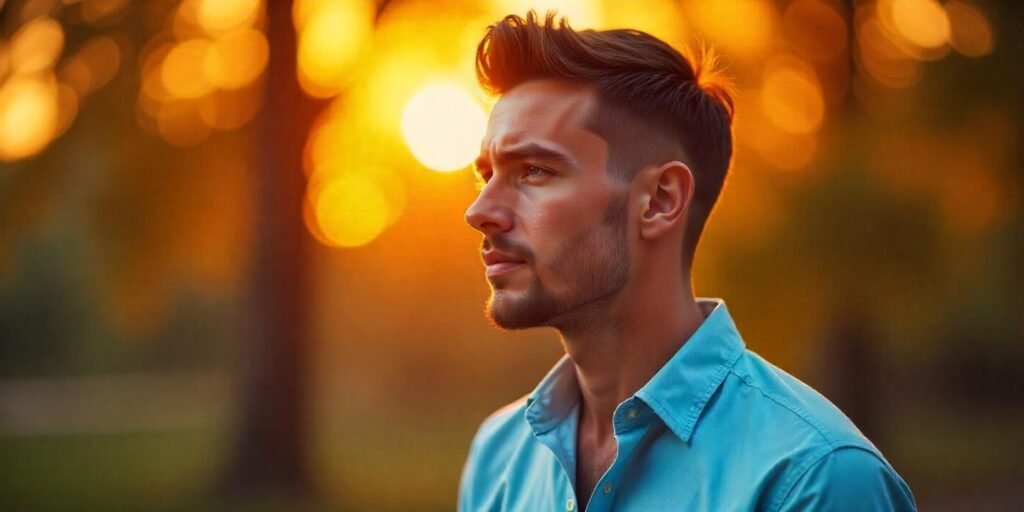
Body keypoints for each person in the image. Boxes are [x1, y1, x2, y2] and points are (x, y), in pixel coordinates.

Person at [458, 11, 916, 512]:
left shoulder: (816, 479)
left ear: (659, 199)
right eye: (487, 176)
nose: (480, 212)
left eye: (534, 171)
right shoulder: (498, 457)